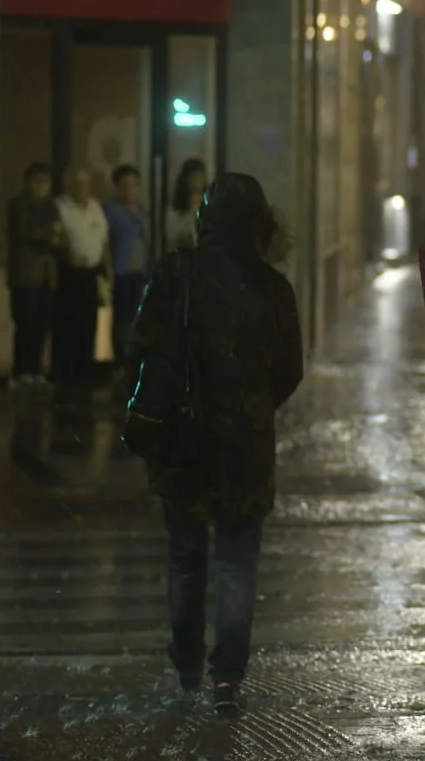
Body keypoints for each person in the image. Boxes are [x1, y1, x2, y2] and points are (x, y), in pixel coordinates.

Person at [127, 173, 303, 715]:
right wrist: (252, 405)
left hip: (180, 441)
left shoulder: (175, 273)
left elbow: (139, 345)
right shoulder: (274, 288)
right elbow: (290, 370)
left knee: (185, 554)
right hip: (245, 445)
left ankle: (185, 657)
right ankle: (227, 678)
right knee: (237, 561)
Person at [52, 164, 109, 386]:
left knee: (89, 322)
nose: (81, 187)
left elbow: (104, 240)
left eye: (85, 182)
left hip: (91, 273)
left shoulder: (95, 207)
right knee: (67, 323)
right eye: (76, 183)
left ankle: (85, 370)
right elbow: (56, 238)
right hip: (68, 273)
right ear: (67, 184)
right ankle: (65, 373)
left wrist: (108, 269)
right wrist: (66, 255)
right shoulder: (60, 206)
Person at [5, 163, 60, 387]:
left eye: (46, 182)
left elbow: (60, 234)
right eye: (38, 181)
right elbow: (27, 232)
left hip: (47, 275)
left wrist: (52, 234)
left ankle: (36, 369)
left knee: (41, 324)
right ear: (28, 183)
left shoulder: (52, 206)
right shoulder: (19, 204)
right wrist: (50, 233)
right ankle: (21, 370)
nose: (43, 186)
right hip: (25, 274)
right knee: (25, 323)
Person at [104, 164, 150, 361]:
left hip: (142, 271)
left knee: (140, 317)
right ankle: (120, 360)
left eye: (133, 184)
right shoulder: (110, 211)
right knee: (122, 318)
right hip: (121, 271)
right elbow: (105, 242)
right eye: (125, 185)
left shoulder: (142, 210)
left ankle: (137, 358)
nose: (130, 189)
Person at [166, 158, 206, 250]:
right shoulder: (175, 209)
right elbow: (173, 237)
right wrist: (190, 210)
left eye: (200, 177)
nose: (197, 182)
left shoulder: (208, 202)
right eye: (194, 177)